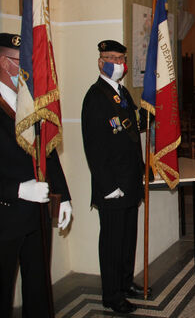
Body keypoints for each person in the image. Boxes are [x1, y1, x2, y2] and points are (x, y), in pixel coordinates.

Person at [0, 33, 72, 317]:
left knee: (39, 288)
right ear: (5, 63)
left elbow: (49, 152)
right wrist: (16, 189)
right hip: (5, 213)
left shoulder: (30, 101)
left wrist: (63, 197)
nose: (29, 71)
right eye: (22, 63)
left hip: (36, 213)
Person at [81, 40, 151, 314]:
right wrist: (108, 186)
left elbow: (133, 128)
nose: (118, 64)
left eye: (121, 59)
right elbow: (94, 147)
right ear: (100, 62)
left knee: (127, 238)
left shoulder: (122, 93)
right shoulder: (96, 96)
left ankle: (124, 283)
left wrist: (153, 110)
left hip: (130, 181)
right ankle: (112, 295)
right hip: (112, 187)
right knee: (111, 242)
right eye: (111, 58)